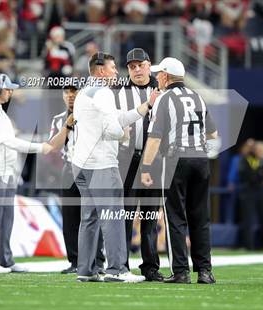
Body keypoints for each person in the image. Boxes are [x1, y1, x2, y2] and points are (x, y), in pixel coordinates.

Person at [72, 52, 159, 282]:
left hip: (81, 165)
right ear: (101, 71)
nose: (116, 72)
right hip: (101, 164)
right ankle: (117, 269)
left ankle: (87, 270)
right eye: (112, 68)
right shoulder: (103, 92)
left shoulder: (84, 91)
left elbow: (118, 117)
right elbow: (113, 128)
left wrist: (146, 106)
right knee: (113, 216)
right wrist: (123, 136)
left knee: (89, 218)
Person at [141, 57, 218, 284]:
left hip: (176, 159)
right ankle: (205, 271)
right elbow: (212, 133)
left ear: (166, 76)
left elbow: (154, 138)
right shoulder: (198, 97)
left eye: (159, 74)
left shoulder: (164, 99)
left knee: (175, 217)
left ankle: (181, 271)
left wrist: (146, 166)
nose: (156, 78)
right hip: (201, 158)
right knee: (200, 217)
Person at [0, 73, 53, 273]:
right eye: (7, 88)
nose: (10, 92)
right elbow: (9, 141)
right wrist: (39, 147)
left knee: (6, 216)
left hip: (5, 170)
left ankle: (5, 259)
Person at [114, 48, 163, 281]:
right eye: (132, 67)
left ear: (149, 64)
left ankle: (151, 266)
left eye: (140, 65)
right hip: (127, 158)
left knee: (150, 215)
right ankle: (121, 265)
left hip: (153, 159)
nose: (136, 70)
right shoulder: (118, 92)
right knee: (124, 213)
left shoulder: (163, 89)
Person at [48, 84, 105, 274]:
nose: (70, 96)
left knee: (93, 215)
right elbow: (53, 147)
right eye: (67, 92)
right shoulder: (58, 119)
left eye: (74, 92)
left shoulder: (92, 114)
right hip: (69, 168)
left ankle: (97, 261)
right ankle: (75, 261)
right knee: (71, 216)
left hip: (91, 167)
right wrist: (67, 125)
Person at [238, 140, 263, 250]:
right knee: (248, 219)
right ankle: (249, 245)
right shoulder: (246, 159)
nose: (261, 152)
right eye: (259, 150)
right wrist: (257, 174)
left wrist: (256, 174)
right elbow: (244, 175)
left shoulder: (262, 161)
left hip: (260, 190)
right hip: (248, 191)